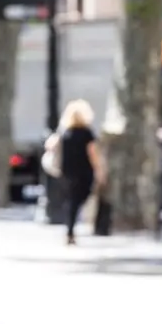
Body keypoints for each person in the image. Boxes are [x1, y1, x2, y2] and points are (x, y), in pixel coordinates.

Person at [53, 99, 104, 244]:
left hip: (67, 171)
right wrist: (99, 171)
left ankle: (70, 230)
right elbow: (93, 153)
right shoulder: (87, 133)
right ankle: (70, 231)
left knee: (72, 200)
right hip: (83, 171)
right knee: (78, 199)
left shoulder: (65, 133)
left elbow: (53, 146)